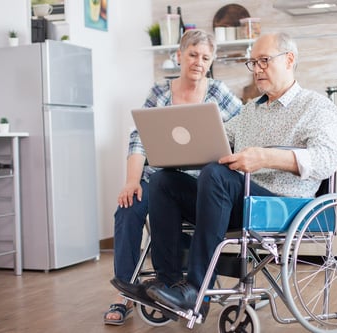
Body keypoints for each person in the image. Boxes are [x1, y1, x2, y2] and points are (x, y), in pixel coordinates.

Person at [114, 31, 337, 318]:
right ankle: (170, 283)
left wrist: (265, 157)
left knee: (217, 174)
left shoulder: (316, 106)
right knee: (163, 181)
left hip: (282, 205)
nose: (257, 69)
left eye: (264, 61)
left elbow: (328, 158)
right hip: (238, 201)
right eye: (253, 63)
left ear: (289, 60)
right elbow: (211, 139)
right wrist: (174, 139)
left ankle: (195, 290)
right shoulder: (250, 111)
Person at [104, 29, 242, 325]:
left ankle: (177, 287)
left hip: (198, 183)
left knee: (169, 191)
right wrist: (131, 181)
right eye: (192, 55)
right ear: (179, 56)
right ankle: (124, 296)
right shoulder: (159, 93)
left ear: (212, 60)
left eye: (205, 57)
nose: (198, 62)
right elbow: (139, 138)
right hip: (158, 177)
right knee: (128, 207)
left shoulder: (219, 93)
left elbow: (242, 132)